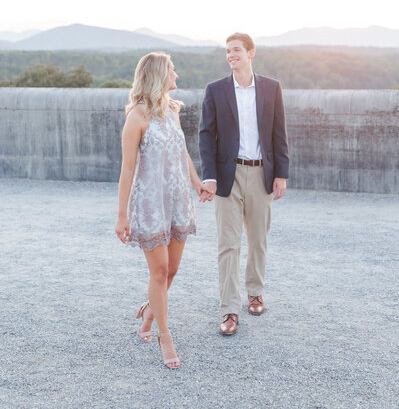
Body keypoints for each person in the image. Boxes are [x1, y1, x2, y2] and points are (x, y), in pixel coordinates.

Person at [115, 51, 205, 368]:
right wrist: (122, 215)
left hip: (178, 198)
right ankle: (164, 337)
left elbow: (183, 154)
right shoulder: (136, 117)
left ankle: (149, 309)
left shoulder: (171, 111)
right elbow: (127, 169)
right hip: (150, 202)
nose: (176, 75)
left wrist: (197, 184)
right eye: (172, 70)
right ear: (157, 75)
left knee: (174, 270)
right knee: (160, 271)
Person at [199, 33, 289, 335]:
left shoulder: (271, 88)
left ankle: (255, 291)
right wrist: (208, 176)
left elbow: (279, 133)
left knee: (258, 240)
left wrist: (281, 174)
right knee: (228, 244)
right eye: (228, 51)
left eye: (236, 50)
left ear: (251, 53)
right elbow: (205, 135)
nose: (231, 55)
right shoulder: (215, 90)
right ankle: (229, 309)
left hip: (262, 172)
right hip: (228, 176)